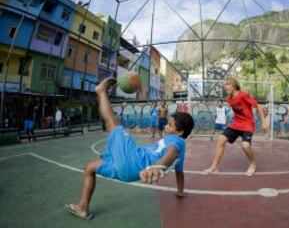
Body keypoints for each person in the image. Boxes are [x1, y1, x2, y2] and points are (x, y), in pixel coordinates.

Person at [65, 78, 194, 220]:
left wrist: (157, 166)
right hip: (130, 173)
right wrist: (180, 191)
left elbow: (171, 153)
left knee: (114, 122)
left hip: (134, 160)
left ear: (180, 132)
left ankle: (101, 91)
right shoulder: (178, 146)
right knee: (90, 168)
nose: (165, 126)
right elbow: (179, 173)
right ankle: (82, 208)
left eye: (169, 125)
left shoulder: (177, 142)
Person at [202, 77, 267, 176]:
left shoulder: (243, 95)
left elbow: (257, 106)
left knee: (245, 146)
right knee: (220, 139)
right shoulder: (229, 99)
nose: (225, 86)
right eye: (224, 85)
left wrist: (264, 122)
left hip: (247, 125)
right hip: (236, 124)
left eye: (228, 84)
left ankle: (252, 164)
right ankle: (214, 168)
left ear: (234, 85)